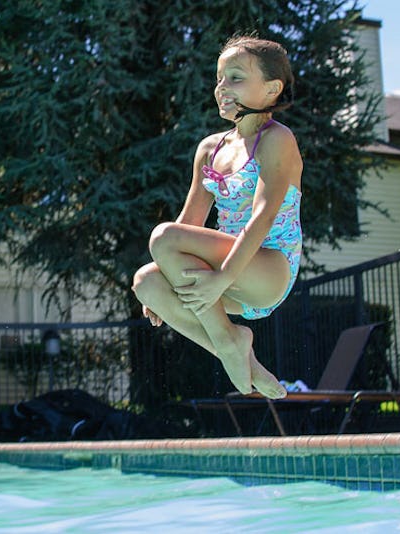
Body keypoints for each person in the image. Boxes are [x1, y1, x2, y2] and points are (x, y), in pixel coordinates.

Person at [132, 35, 302, 399]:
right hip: (229, 279)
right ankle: (233, 347)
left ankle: (228, 343)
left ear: (272, 89)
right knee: (146, 281)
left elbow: (263, 217)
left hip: (269, 269)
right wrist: (163, 282)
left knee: (163, 238)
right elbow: (190, 221)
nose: (222, 88)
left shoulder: (278, 139)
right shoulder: (211, 149)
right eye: (220, 78)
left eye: (236, 78)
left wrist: (222, 277)